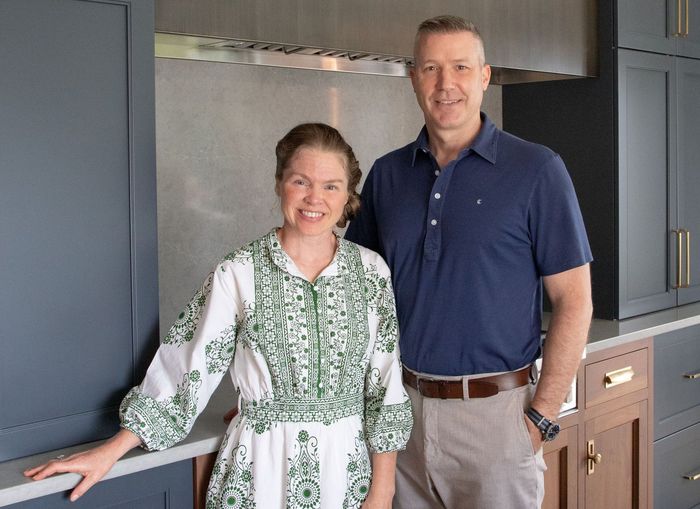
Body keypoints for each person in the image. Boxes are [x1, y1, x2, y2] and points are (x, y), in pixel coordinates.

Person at [24, 123, 413, 508]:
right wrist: (111, 450)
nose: (315, 198)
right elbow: (188, 366)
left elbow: (385, 386)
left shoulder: (371, 272)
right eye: (301, 181)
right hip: (258, 471)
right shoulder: (238, 272)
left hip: (346, 475)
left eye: (330, 185)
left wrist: (382, 492)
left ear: (348, 195)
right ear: (280, 184)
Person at [345, 15, 593, 509]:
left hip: (497, 421)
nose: (446, 83)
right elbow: (350, 297)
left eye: (460, 66)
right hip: (400, 417)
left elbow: (575, 301)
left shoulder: (538, 169)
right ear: (414, 77)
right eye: (431, 68)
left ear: (484, 76)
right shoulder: (387, 175)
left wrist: (540, 416)